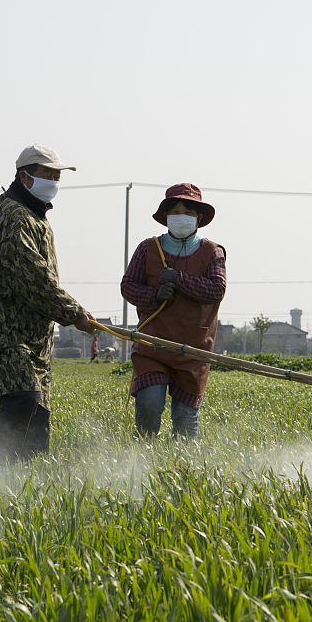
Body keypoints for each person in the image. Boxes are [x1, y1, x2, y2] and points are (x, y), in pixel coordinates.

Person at [0, 144, 95, 465]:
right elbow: (34, 280)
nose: (54, 181)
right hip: (6, 333)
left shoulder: (33, 216)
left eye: (58, 176)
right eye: (47, 175)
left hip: (34, 337)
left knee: (37, 415)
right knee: (23, 399)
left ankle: (31, 484)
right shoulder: (14, 217)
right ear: (25, 178)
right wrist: (75, 314)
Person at [120, 183, 226, 438]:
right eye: (176, 211)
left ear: (199, 218)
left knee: (185, 418)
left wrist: (179, 280)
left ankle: (183, 467)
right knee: (149, 404)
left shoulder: (213, 252)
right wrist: (154, 295)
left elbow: (216, 290)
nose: (182, 217)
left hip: (194, 350)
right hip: (153, 345)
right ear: (166, 216)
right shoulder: (148, 248)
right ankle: (144, 457)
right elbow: (128, 287)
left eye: (188, 213)